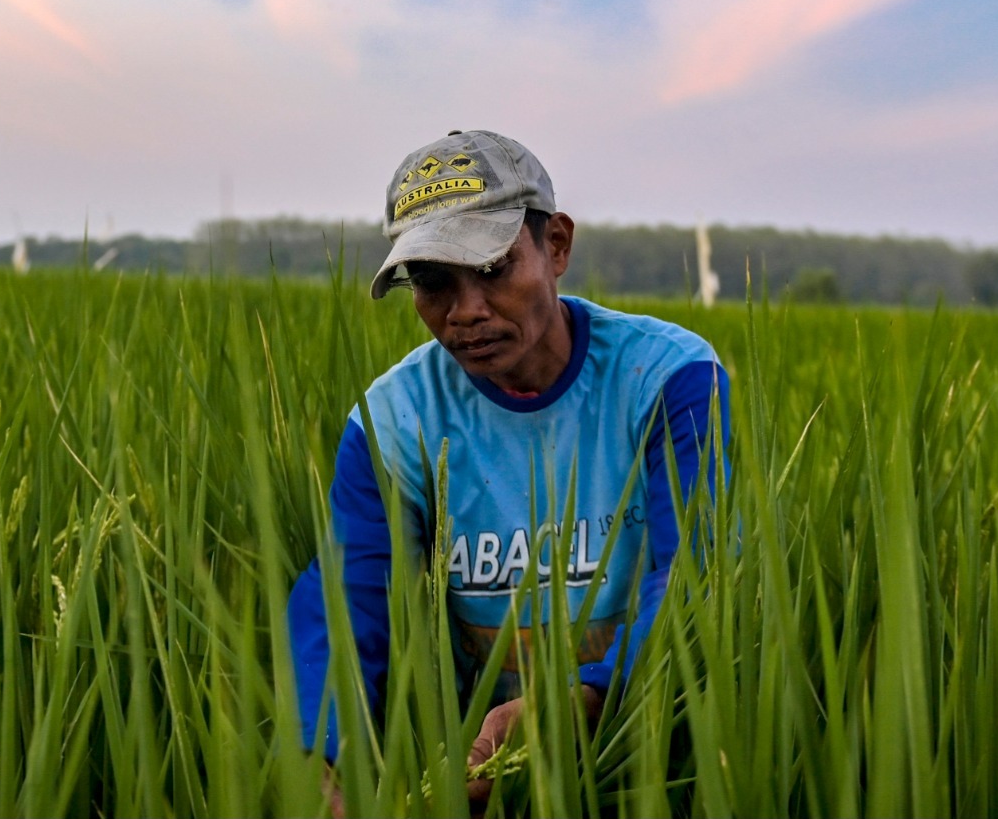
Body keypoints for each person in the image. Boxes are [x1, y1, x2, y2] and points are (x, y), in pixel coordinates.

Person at [284, 130, 731, 799]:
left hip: (660, 756)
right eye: (434, 282)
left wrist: (579, 701)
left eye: (492, 268)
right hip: (473, 769)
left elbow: (700, 570)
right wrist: (322, 759)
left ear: (555, 246)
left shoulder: (667, 378)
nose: (466, 311)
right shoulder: (395, 418)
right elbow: (348, 599)